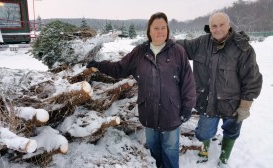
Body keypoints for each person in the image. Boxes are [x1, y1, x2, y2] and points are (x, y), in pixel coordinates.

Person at [87, 12, 196, 168]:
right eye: (156, 28)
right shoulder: (140, 52)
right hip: (149, 113)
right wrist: (99, 65)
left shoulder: (177, 51)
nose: (160, 31)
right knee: (153, 152)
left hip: (172, 113)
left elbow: (188, 81)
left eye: (163, 27)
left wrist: (187, 107)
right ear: (149, 31)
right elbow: (119, 68)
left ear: (168, 29)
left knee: (170, 151)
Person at [177, 12, 263, 166]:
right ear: (209, 28)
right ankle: (204, 150)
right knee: (204, 132)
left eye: (221, 25)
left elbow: (252, 78)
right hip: (206, 101)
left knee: (231, 131)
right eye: (213, 26)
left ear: (229, 25)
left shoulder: (243, 48)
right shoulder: (200, 43)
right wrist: (159, 41)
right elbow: (180, 46)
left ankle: (224, 157)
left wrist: (245, 105)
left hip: (233, 104)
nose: (217, 29)